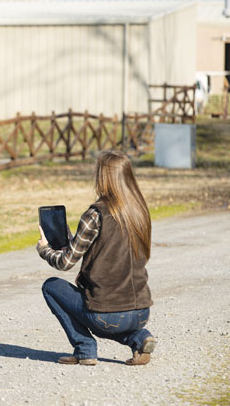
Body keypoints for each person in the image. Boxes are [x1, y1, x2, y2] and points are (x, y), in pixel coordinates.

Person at [37, 150, 156, 366]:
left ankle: (84, 349)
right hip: (141, 311)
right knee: (109, 318)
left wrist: (45, 249)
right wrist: (72, 241)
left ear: (102, 177)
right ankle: (140, 337)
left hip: (108, 314)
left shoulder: (95, 214)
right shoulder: (140, 211)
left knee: (51, 286)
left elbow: (65, 263)